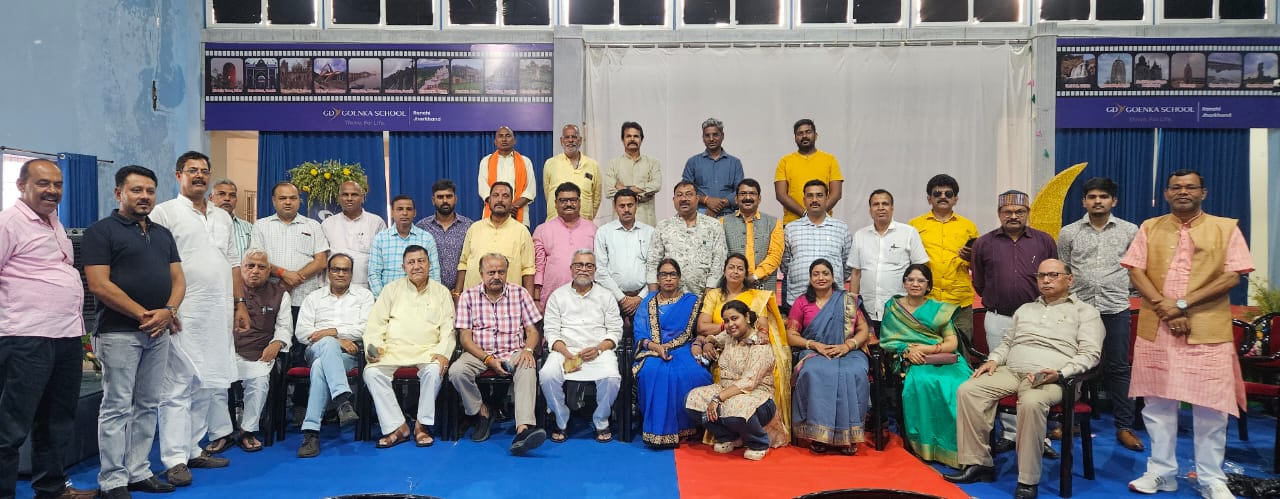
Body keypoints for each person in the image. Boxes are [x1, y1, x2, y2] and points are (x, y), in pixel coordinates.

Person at [1122, 169, 1254, 499]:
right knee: (1157, 405)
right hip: (1158, 327)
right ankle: (1161, 472)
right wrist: (1164, 306)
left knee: (1211, 408)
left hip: (1208, 329)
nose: (1183, 191)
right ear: (1167, 193)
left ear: (1203, 193)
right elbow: (1135, 270)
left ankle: (1211, 479)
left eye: (1190, 187)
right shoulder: (1150, 227)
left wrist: (1181, 304)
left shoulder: (1226, 228)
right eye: (1176, 187)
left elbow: (1232, 276)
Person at [945, 259, 1103, 499]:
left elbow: (1090, 354)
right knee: (969, 390)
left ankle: (1028, 480)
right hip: (1012, 370)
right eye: (1041, 276)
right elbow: (1007, 343)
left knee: (1030, 403)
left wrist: (1062, 373)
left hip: (1051, 377)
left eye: (1053, 275)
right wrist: (994, 359)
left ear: (1069, 279)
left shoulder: (1086, 312)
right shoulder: (1025, 309)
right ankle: (979, 463)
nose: (1046, 280)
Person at [84, 165, 184, 497]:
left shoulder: (163, 234)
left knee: (147, 404)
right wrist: (145, 315)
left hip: (158, 333)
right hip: (118, 333)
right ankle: (113, 479)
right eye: (136, 190)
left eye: (150, 191)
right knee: (117, 407)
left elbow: (178, 280)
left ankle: (138, 470)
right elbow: (99, 285)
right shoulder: (101, 232)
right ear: (119, 193)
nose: (145, 196)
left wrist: (169, 311)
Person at [0, 159, 97, 499]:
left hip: (66, 335)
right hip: (25, 338)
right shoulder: (8, 223)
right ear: (21, 185)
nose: (52, 190)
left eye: (57, 184)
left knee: (57, 420)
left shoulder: (54, 222)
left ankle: (52, 489)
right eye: (43, 183)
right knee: (9, 427)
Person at [149, 151, 242, 485]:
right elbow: (155, 263)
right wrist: (168, 307)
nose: (199, 176)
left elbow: (233, 262)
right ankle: (174, 459)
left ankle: (193, 449)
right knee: (176, 386)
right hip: (182, 311)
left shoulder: (222, 216)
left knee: (206, 383)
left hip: (217, 312)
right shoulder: (164, 213)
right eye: (192, 170)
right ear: (179, 175)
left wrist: (239, 304)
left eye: (204, 171)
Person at [1056, 177, 1143, 452]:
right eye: (1092, 197)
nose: (1097, 201)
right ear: (1084, 201)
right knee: (1072, 365)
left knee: (1118, 367)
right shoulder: (1069, 232)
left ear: (1113, 201)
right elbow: (1064, 269)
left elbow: (1137, 267)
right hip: (1078, 309)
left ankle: (1124, 426)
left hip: (1115, 307)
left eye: (1103, 197)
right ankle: (1068, 421)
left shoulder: (1130, 230)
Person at [970, 190, 1059, 456]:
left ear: (1027, 213)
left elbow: (1053, 276)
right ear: (999, 214)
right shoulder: (984, 243)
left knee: (1036, 372)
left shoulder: (1044, 241)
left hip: (1038, 320)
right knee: (1002, 373)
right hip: (999, 318)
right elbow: (979, 282)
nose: (1013, 216)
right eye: (1007, 211)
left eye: (1019, 211)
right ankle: (1010, 433)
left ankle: (1039, 436)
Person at [878, 264, 972, 468]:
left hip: (941, 357)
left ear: (928, 286)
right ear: (904, 283)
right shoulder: (893, 308)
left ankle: (960, 448)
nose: (915, 284)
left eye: (921, 280)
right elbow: (886, 340)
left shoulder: (938, 309)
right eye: (910, 279)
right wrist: (906, 350)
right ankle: (926, 446)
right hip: (910, 360)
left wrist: (927, 349)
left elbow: (952, 342)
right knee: (923, 382)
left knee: (961, 384)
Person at [450, 253, 545, 455]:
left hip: (513, 351)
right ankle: (482, 411)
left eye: (501, 272)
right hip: (479, 353)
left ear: (506, 273)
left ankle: (523, 430)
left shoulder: (520, 293)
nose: (496, 276)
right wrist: (488, 359)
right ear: (481, 274)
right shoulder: (468, 296)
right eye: (491, 272)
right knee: (457, 371)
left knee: (528, 365)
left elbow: (532, 331)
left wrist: (528, 350)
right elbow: (465, 339)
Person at [363, 245, 455, 449]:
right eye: (411, 262)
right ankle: (398, 427)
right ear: (403, 266)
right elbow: (375, 326)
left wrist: (442, 353)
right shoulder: (391, 289)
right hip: (392, 351)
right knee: (372, 373)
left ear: (429, 264)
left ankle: (421, 425)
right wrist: (374, 349)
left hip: (428, 351)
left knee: (435, 370)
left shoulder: (441, 292)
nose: (416, 266)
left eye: (421, 261)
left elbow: (448, 328)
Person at [696, 254, 792, 446]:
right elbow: (702, 327)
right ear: (724, 270)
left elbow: (761, 325)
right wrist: (727, 328)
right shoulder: (714, 295)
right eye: (731, 267)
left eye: (740, 268)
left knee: (761, 367)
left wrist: (758, 332)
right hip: (723, 347)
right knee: (693, 397)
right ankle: (728, 435)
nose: (735, 271)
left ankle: (757, 437)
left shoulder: (756, 296)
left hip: (748, 348)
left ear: (746, 273)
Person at [786, 259, 871, 455]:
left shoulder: (847, 300)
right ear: (810, 278)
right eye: (816, 274)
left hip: (849, 352)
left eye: (825, 273)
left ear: (833, 277)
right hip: (815, 352)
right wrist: (814, 345)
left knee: (854, 372)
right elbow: (791, 335)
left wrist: (847, 346)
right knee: (814, 372)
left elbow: (863, 330)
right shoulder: (802, 302)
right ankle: (818, 435)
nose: (821, 277)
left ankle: (848, 437)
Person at [210, 249, 292, 453]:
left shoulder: (279, 294)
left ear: (269, 270)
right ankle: (221, 433)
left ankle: (247, 431)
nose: (255, 271)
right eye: (250, 266)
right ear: (242, 268)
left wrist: (277, 343)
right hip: (226, 351)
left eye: (261, 267)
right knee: (213, 383)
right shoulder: (226, 289)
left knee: (259, 381)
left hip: (259, 353)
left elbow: (284, 327)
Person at [294, 253, 374, 458]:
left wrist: (333, 332)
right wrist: (336, 339)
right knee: (327, 346)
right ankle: (342, 400)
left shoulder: (364, 296)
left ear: (351, 273)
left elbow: (366, 328)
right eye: (336, 269)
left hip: (350, 354)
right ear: (328, 272)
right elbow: (302, 333)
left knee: (320, 367)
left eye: (345, 270)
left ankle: (311, 433)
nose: (340, 273)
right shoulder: (314, 297)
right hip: (316, 349)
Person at [540, 250, 623, 444]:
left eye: (589, 265)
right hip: (565, 351)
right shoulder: (558, 296)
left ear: (595, 270)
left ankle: (601, 420)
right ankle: (561, 417)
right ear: (571, 269)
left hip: (598, 352)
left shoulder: (606, 296)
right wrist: (567, 354)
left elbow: (615, 331)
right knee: (546, 375)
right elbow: (551, 331)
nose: (583, 269)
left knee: (612, 377)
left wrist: (599, 349)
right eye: (579, 265)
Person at [633, 259, 713, 448]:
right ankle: (659, 431)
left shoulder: (690, 301)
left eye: (672, 274)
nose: (668, 278)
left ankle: (689, 429)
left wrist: (698, 344)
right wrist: (656, 347)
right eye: (664, 275)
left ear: (679, 278)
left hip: (683, 347)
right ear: (658, 278)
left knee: (696, 373)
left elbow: (698, 331)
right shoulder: (648, 302)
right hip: (652, 350)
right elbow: (640, 334)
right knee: (654, 372)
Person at [685, 300, 779, 461]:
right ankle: (729, 437)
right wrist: (709, 343)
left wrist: (718, 398)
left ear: (747, 317)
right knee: (692, 399)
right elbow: (714, 337)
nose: (730, 324)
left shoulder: (760, 344)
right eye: (726, 321)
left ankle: (758, 443)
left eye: (735, 318)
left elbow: (748, 382)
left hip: (756, 397)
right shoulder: (729, 336)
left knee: (734, 407)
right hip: (727, 390)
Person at [909, 174, 981, 341]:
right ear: (929, 198)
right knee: (925, 350)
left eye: (948, 194)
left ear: (955, 199)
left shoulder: (968, 227)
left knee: (962, 351)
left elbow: (979, 264)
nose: (943, 197)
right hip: (925, 300)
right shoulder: (914, 226)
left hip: (959, 302)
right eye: (937, 193)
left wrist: (971, 258)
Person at [849, 189, 929, 331]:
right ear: (870, 210)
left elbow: (921, 269)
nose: (880, 208)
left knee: (897, 345)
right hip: (867, 309)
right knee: (869, 345)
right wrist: (852, 307)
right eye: (876, 204)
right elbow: (856, 273)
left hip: (901, 309)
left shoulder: (908, 233)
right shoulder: (860, 235)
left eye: (885, 204)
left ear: (892, 208)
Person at [251, 181, 329, 317]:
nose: (288, 202)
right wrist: (283, 274)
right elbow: (256, 261)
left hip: (305, 298)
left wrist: (293, 280)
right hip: (271, 296)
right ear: (274, 200)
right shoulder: (261, 226)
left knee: (303, 331)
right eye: (282, 198)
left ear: (299, 200)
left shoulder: (313, 225)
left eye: (293, 198)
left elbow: (321, 261)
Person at [645, 181, 728, 295]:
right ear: (674, 200)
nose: (684, 199)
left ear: (697, 199)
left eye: (689, 194)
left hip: (703, 296)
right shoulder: (663, 226)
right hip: (669, 297)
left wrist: (709, 294)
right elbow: (653, 262)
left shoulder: (713, 225)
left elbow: (718, 261)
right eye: (679, 195)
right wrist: (653, 296)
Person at [456, 182, 535, 296]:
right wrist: (457, 294)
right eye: (495, 195)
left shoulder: (522, 231)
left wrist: (529, 300)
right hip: (474, 299)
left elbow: (528, 270)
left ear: (511, 201)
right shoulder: (474, 228)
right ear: (489, 200)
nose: (500, 200)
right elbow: (463, 263)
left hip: (509, 301)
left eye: (505, 196)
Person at [782, 180, 852, 307]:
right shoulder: (791, 229)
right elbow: (785, 264)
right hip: (798, 299)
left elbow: (847, 266)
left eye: (819, 195)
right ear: (804, 200)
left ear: (827, 198)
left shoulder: (841, 228)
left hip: (833, 301)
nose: (814, 200)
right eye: (810, 196)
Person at [533, 182, 598, 309]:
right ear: (555, 203)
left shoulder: (593, 230)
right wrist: (536, 299)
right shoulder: (542, 230)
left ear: (579, 202)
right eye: (563, 200)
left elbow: (599, 266)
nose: (568, 204)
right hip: (552, 299)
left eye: (573, 200)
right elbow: (539, 268)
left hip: (587, 298)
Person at [594, 189, 654, 317]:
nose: (626, 210)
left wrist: (639, 298)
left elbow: (654, 268)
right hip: (612, 299)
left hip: (643, 299)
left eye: (630, 205)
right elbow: (600, 270)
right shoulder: (604, 232)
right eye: (622, 206)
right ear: (615, 207)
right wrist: (622, 299)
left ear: (636, 205)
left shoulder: (650, 232)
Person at [774, 119, 843, 224]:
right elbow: (781, 194)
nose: (804, 136)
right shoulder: (785, 162)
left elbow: (836, 194)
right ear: (795, 138)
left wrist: (818, 214)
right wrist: (805, 214)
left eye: (808, 132)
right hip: (793, 223)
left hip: (823, 223)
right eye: (800, 133)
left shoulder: (830, 160)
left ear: (816, 135)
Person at [369, 195, 440, 296]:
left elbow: (434, 272)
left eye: (409, 209)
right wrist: (384, 299)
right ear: (392, 212)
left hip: (421, 298)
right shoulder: (380, 239)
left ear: (414, 213)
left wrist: (429, 298)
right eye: (400, 209)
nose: (405, 213)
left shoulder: (426, 238)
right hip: (390, 298)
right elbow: (374, 274)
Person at [721, 178, 783, 292]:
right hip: (732, 287)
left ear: (759, 199)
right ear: (736, 199)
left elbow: (775, 255)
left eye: (752, 193)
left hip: (764, 287)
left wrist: (755, 276)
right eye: (743, 194)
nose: (748, 197)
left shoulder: (774, 223)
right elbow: (720, 256)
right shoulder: (722, 222)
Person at [321, 181, 386, 290]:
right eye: (345, 195)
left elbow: (382, 259)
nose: (349, 198)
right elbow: (322, 260)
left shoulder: (376, 222)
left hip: (366, 288)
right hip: (334, 289)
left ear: (362, 198)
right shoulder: (328, 224)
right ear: (339, 198)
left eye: (354, 195)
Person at [415, 179, 474, 295]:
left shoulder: (469, 226)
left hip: (462, 293)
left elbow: (470, 260)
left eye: (449, 196)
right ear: (433, 200)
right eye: (440, 197)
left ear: (455, 199)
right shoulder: (422, 227)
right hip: (430, 293)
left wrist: (458, 292)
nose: (445, 201)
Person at [602, 121, 662, 227]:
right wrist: (639, 193)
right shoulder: (613, 164)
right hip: (620, 224)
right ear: (622, 139)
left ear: (641, 139)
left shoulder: (653, 162)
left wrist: (624, 189)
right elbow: (609, 191)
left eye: (636, 136)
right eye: (628, 136)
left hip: (646, 222)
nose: (632, 139)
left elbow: (656, 185)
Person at [681, 117, 743, 217]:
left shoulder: (735, 163)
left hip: (729, 213)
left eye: (715, 135)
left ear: (722, 136)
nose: (711, 139)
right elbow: (685, 190)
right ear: (703, 138)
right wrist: (707, 200)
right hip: (701, 213)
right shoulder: (693, 162)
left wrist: (720, 204)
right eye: (707, 135)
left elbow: (740, 190)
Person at [477, 126, 536, 225]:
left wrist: (512, 207)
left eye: (508, 136)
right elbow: (484, 189)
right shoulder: (486, 161)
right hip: (492, 213)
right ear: (495, 141)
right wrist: (500, 207)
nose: (504, 139)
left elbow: (530, 190)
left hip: (518, 214)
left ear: (514, 140)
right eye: (500, 136)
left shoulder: (525, 161)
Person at [542, 124, 602, 221]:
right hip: (556, 223)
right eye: (567, 137)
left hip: (583, 224)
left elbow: (596, 199)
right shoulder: (550, 163)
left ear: (580, 140)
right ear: (561, 141)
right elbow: (548, 195)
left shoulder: (592, 165)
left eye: (574, 137)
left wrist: (586, 218)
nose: (570, 140)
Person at [209, 178, 254, 259]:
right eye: (222, 194)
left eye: (232, 195)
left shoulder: (249, 228)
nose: (227, 198)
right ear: (211, 198)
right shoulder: (202, 224)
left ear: (236, 200)